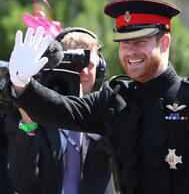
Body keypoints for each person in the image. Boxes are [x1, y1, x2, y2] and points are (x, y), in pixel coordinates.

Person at [7, 0, 189, 194]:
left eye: (140, 41)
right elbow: (62, 110)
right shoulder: (115, 100)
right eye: (124, 43)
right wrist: (22, 84)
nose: (130, 51)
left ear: (164, 42)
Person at [5, 27, 116, 194]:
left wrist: (86, 111)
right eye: (75, 63)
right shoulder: (29, 111)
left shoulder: (110, 108)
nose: (83, 71)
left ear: (100, 69)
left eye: (89, 64)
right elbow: (21, 184)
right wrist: (29, 123)